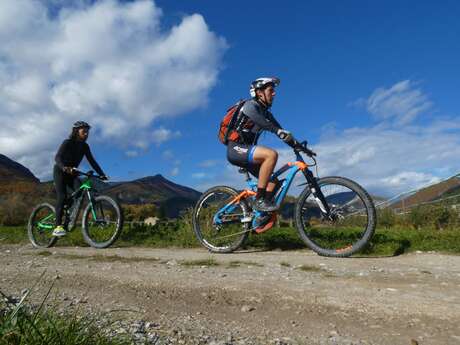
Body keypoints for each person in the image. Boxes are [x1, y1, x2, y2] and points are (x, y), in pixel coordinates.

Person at [226, 77, 294, 212]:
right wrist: (277, 130)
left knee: (273, 183)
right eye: (270, 90)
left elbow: (281, 131)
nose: (274, 93)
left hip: (248, 153)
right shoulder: (250, 105)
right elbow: (259, 119)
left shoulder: (266, 113)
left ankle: (260, 216)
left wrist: (298, 146)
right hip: (235, 149)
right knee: (271, 155)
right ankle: (259, 200)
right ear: (259, 92)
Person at [52, 121, 107, 237]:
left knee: (79, 194)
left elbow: (92, 161)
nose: (86, 134)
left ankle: (67, 216)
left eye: (87, 131)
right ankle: (57, 226)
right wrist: (64, 167)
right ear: (76, 131)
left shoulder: (85, 146)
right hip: (60, 171)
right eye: (84, 131)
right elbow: (57, 157)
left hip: (73, 173)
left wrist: (102, 174)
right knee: (62, 196)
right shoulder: (67, 142)